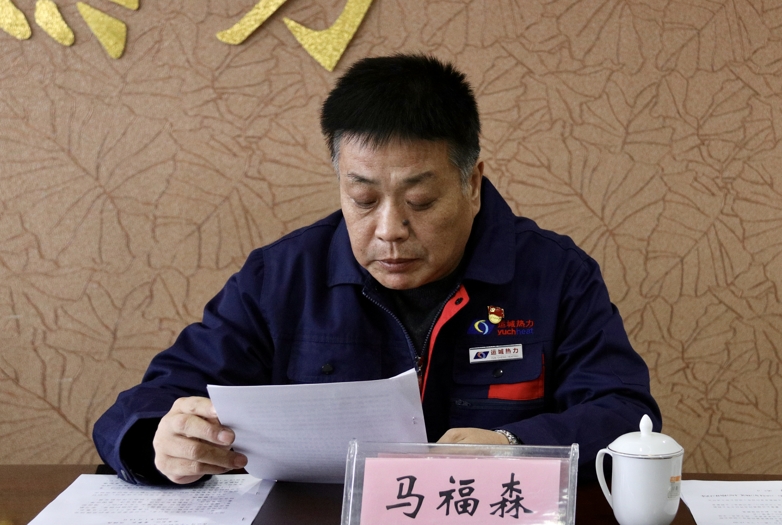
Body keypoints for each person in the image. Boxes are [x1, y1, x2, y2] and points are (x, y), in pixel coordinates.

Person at [93, 54, 661, 486]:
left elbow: (624, 413)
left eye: (420, 201)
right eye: (362, 199)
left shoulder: (555, 275)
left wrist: (512, 445)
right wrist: (158, 440)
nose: (389, 229)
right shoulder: (283, 277)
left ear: (472, 183)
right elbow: (148, 403)